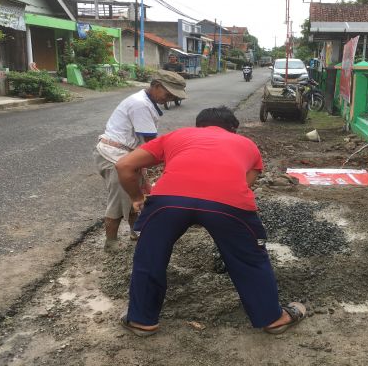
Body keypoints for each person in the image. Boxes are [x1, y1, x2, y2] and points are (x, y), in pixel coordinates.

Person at [114, 106, 306, 337]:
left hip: (168, 201)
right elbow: (245, 185)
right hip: (227, 203)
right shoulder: (247, 145)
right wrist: (209, 208)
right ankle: (274, 319)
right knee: (250, 259)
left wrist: (137, 197)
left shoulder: (177, 135)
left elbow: (124, 165)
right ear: (233, 130)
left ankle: (141, 320)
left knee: (149, 255)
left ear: (199, 126)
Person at [93, 70, 187, 252]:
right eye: (167, 94)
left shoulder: (146, 102)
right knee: (121, 199)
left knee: (138, 194)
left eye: (172, 96)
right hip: (115, 154)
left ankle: (136, 231)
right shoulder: (140, 105)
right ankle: (110, 242)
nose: (168, 98)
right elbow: (152, 143)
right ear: (157, 86)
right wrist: (172, 164)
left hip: (127, 153)